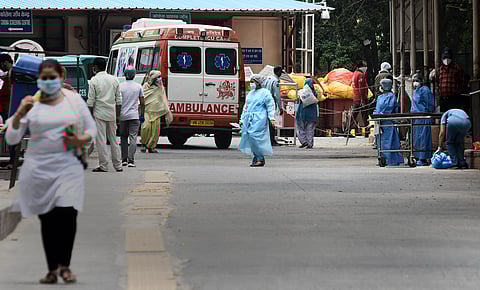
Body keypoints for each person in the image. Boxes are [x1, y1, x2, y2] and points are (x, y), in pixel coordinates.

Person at [5, 59, 97, 284]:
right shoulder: (31, 103)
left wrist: (80, 139)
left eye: (52, 77)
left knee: (67, 214)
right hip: (39, 170)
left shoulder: (73, 100)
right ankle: (52, 269)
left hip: (68, 168)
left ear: (61, 78)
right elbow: (12, 138)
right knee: (48, 219)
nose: (48, 82)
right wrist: (18, 115)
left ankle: (65, 265)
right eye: (43, 78)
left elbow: (91, 129)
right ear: (39, 79)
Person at [87, 57, 123, 172]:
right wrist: (118, 116)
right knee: (114, 140)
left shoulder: (94, 80)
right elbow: (119, 100)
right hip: (112, 113)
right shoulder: (114, 79)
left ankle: (104, 165)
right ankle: (118, 165)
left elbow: (90, 101)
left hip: (99, 113)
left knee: (101, 140)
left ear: (96, 67)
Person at [239, 74, 276, 167]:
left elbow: (270, 106)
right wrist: (242, 119)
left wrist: (272, 118)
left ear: (258, 82)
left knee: (255, 136)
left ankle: (260, 158)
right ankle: (256, 157)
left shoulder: (265, 93)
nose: (251, 84)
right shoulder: (251, 93)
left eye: (253, 82)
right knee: (249, 136)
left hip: (260, 118)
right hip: (249, 118)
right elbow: (246, 107)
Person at [374, 78, 404, 166]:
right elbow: (377, 108)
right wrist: (375, 114)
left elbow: (388, 108)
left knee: (390, 141)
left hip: (388, 122)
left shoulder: (391, 96)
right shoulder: (380, 97)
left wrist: (381, 114)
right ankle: (382, 158)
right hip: (379, 122)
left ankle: (391, 160)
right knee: (380, 141)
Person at [140, 70, 172, 153]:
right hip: (147, 111)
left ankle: (151, 146)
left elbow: (164, 99)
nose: (159, 79)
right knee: (145, 127)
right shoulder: (145, 86)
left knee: (155, 130)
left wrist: (166, 111)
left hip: (157, 113)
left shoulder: (160, 88)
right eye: (157, 77)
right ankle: (144, 143)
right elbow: (142, 98)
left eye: (160, 77)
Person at [119, 68, 144, 167]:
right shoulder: (138, 87)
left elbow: (118, 101)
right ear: (134, 75)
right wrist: (142, 114)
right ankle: (131, 161)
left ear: (125, 75)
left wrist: (117, 115)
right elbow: (142, 102)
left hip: (123, 116)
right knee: (133, 137)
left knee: (123, 137)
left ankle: (124, 159)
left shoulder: (120, 86)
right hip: (134, 116)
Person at [411, 72, 435, 166]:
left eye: (417, 80)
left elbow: (430, 104)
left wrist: (428, 114)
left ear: (421, 81)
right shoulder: (416, 91)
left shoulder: (425, 90)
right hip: (416, 117)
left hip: (424, 117)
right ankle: (417, 156)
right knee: (416, 138)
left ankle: (423, 158)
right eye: (413, 81)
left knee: (424, 138)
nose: (415, 83)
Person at [438, 47, 465, 112]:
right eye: (444, 58)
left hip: (454, 98)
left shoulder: (457, 68)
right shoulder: (440, 69)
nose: (446, 60)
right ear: (442, 58)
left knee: (453, 116)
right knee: (443, 117)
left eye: (448, 57)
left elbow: (462, 82)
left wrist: (458, 92)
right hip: (443, 98)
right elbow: (438, 82)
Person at [262, 66, 283, 146]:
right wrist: (280, 107)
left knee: (266, 122)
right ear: (277, 72)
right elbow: (277, 95)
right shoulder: (275, 81)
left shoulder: (268, 78)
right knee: (272, 122)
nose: (281, 74)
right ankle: (272, 141)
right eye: (280, 72)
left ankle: (267, 140)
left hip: (264, 102)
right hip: (271, 103)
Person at [348, 60, 369, 136]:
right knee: (364, 115)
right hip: (361, 98)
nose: (366, 67)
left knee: (354, 115)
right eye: (364, 66)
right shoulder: (360, 75)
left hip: (356, 98)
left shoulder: (354, 74)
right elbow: (361, 88)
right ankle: (367, 131)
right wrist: (363, 100)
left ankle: (347, 131)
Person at [296, 78, 318, 149]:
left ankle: (303, 141)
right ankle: (310, 143)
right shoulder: (314, 93)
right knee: (310, 129)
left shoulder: (303, 92)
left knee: (300, 128)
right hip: (312, 114)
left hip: (302, 113)